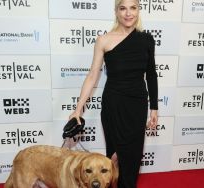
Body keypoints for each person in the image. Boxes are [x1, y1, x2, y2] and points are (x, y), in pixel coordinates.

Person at [69, 0, 158, 187]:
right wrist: (78, 110)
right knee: (114, 156)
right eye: (123, 8)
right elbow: (93, 75)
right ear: (116, 11)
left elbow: (151, 74)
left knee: (133, 157)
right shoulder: (104, 40)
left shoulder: (147, 40)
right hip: (113, 105)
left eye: (133, 8)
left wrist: (154, 108)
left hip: (137, 105)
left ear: (138, 10)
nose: (128, 13)